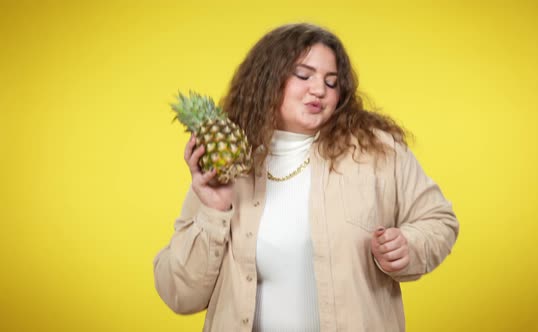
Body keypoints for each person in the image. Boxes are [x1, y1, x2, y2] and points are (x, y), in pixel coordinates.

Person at [153, 23, 459, 332]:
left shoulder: (378, 151)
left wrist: (409, 246)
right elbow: (179, 295)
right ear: (267, 80)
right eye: (303, 75)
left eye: (332, 81)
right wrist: (213, 212)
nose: (319, 90)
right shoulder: (226, 167)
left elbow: (439, 219)